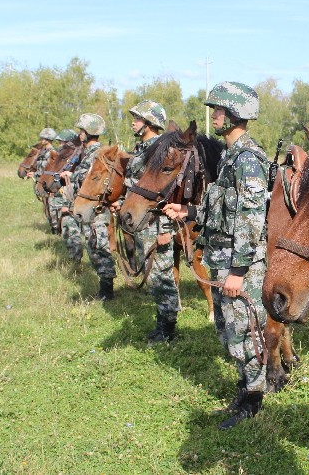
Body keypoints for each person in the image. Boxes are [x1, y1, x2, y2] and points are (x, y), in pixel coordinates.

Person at [163, 81, 269, 430]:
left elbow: (252, 219)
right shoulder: (229, 157)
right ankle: (245, 387)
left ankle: (253, 398)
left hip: (242, 265)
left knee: (246, 332)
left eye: (220, 110)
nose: (215, 116)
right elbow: (224, 211)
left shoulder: (249, 159)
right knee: (229, 332)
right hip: (223, 260)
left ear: (238, 113)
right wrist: (188, 213)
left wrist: (239, 270)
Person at [110, 100, 182, 343]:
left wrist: (167, 230)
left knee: (161, 274)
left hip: (157, 223)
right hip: (142, 220)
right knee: (152, 275)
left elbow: (168, 192)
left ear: (151, 123)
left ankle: (168, 327)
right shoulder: (141, 149)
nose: (134, 122)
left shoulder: (160, 152)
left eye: (138, 118)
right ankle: (161, 322)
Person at [60, 113, 117, 300]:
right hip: (88, 208)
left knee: (99, 248)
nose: (80, 134)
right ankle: (105, 287)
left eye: (82, 130)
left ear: (89, 131)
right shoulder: (89, 154)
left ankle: (107, 290)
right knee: (94, 248)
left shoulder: (98, 155)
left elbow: (94, 180)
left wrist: (73, 176)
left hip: (96, 211)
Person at [47, 129, 79, 239]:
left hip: (70, 189)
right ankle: (58, 231)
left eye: (62, 142)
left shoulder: (75, 156)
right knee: (56, 211)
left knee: (66, 214)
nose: (60, 145)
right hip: (60, 186)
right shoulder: (62, 156)